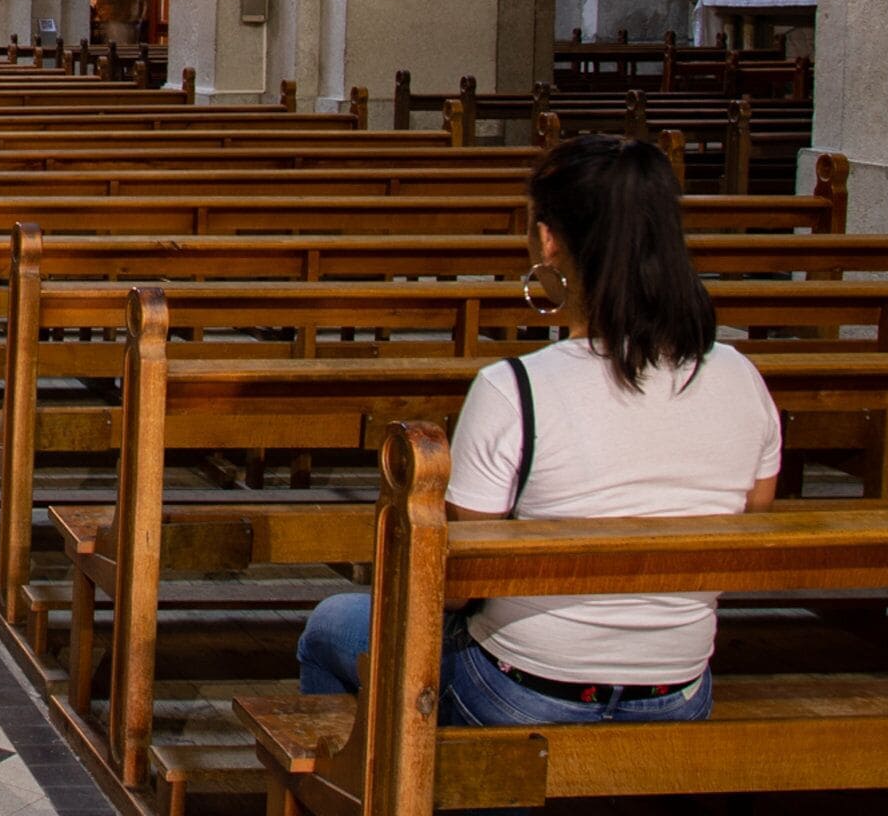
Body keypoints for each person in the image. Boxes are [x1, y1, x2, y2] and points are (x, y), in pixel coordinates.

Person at [297, 134, 781, 727]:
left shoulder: (516, 388)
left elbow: (457, 582)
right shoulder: (740, 376)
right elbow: (752, 526)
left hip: (523, 691)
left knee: (329, 627)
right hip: (677, 689)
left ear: (549, 242)